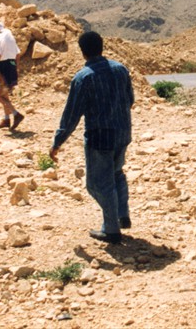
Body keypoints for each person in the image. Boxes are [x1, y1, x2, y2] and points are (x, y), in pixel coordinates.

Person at [49, 31, 134, 244]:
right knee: (116, 173)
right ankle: (122, 213)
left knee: (96, 184)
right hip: (123, 132)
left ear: (82, 51)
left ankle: (112, 229)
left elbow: (71, 115)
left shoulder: (84, 77)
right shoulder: (121, 69)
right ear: (102, 46)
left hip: (100, 138)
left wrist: (58, 142)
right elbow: (130, 99)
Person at [0, 21, 24, 130]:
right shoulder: (9, 34)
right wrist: (15, 68)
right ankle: (6, 120)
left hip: (3, 66)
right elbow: (18, 54)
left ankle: (16, 114)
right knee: (5, 95)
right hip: (12, 65)